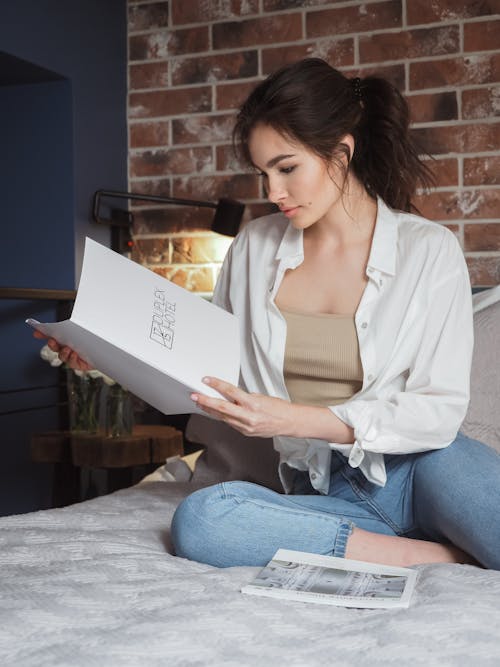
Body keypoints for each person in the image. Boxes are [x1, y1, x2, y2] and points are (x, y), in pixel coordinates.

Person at [42, 59, 500, 570]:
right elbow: (206, 367)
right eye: (263, 174)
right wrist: (105, 354)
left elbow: (437, 411)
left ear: (342, 153)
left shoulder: (429, 250)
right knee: (203, 520)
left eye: (287, 169)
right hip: (319, 488)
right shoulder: (254, 248)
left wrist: (293, 418)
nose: (272, 193)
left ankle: (414, 544)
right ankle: (439, 557)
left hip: (427, 470)